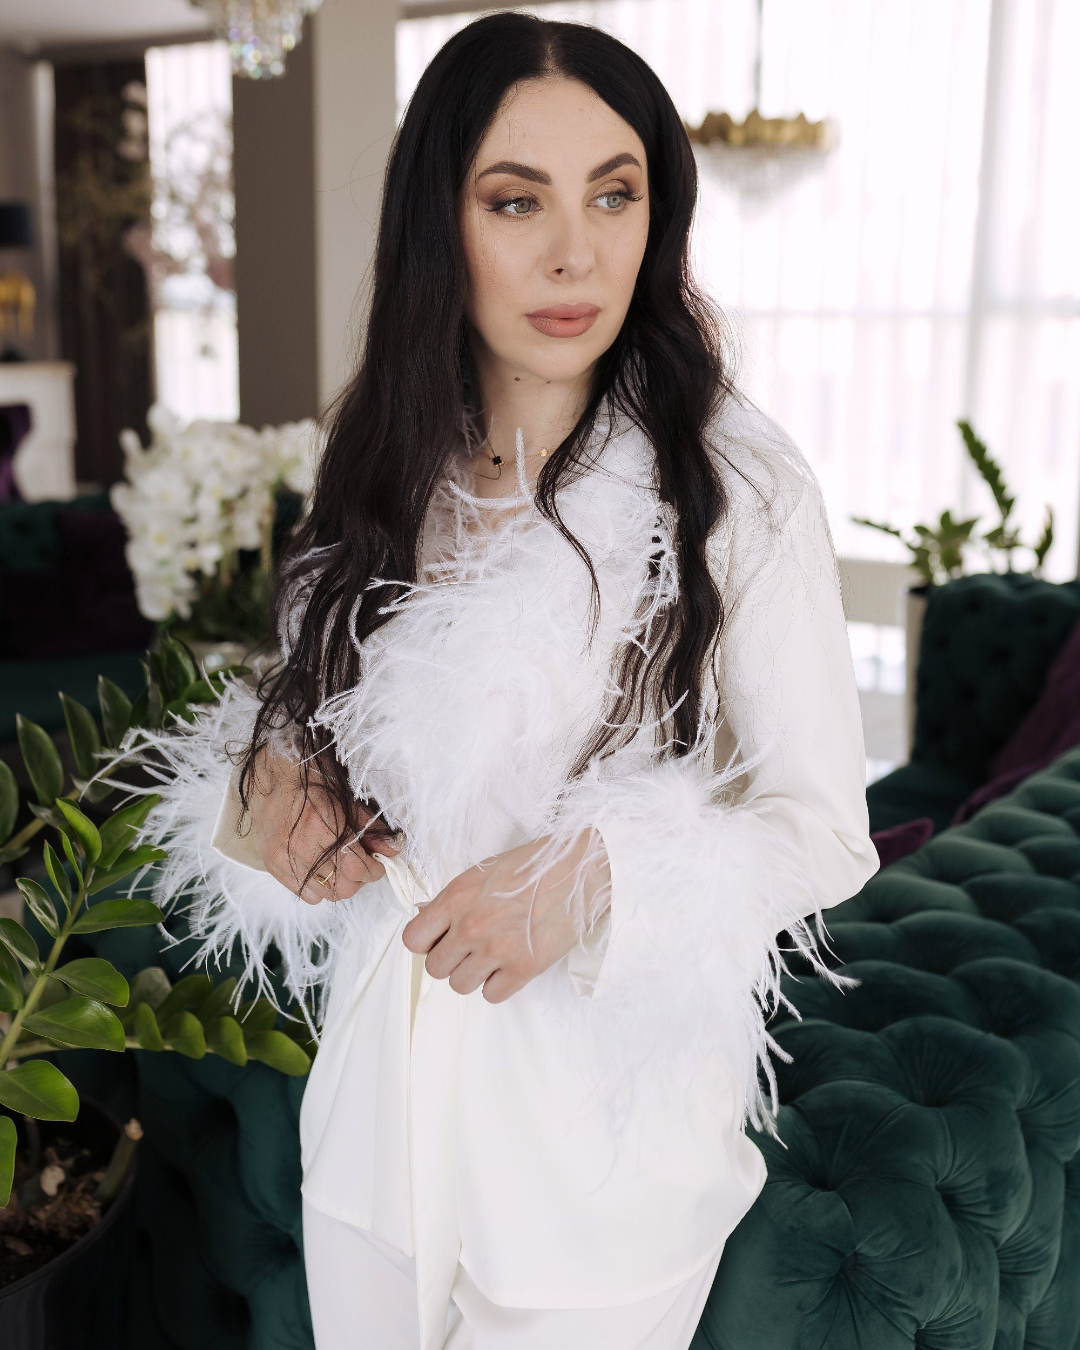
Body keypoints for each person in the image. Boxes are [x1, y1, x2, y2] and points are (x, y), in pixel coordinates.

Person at [141, 13, 877, 1349]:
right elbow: (308, 734)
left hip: (597, 1154)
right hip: (379, 1119)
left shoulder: (740, 489)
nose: (574, 251)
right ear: (442, 221)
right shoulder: (375, 460)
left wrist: (594, 879)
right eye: (514, 199)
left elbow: (823, 832)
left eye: (614, 193)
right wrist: (273, 795)